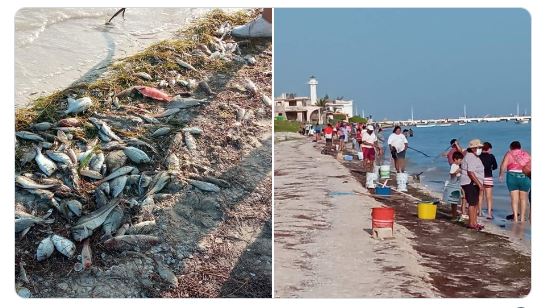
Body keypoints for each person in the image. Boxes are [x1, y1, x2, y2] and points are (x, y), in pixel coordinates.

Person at [499, 141, 531, 223]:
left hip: (512, 176)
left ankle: (516, 218)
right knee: (523, 199)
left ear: (511, 147)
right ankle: (523, 218)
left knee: (514, 199)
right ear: (520, 147)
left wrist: (501, 175)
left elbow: (503, 165)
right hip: (524, 176)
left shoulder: (509, 154)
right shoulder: (526, 154)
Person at [460, 139, 485, 231]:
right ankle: (471, 223)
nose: (480, 149)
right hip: (470, 182)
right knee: (472, 203)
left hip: (472, 182)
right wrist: (479, 184)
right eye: (479, 147)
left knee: (475, 203)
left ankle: (474, 222)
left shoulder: (473, 156)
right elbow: (470, 172)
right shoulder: (470, 157)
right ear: (474, 148)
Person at [478, 142, 498, 219]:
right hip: (488, 177)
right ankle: (489, 214)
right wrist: (491, 168)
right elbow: (495, 166)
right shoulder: (491, 156)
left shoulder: (478, 156)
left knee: (480, 196)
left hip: (479, 177)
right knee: (489, 197)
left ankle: (479, 212)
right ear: (489, 148)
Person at [443, 151, 464, 220]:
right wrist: (457, 172)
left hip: (456, 186)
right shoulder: (454, 166)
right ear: (455, 159)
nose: (461, 161)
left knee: (454, 202)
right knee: (454, 202)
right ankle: (454, 216)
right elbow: (451, 174)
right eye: (460, 160)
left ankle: (454, 215)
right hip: (453, 186)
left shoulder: (457, 166)